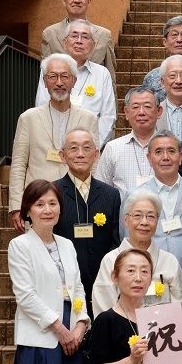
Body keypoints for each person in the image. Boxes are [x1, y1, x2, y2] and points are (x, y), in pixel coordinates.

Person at [7, 180, 91, 364]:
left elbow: (77, 289)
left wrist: (80, 325)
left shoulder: (66, 245)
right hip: (41, 337)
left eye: (52, 203)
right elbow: (25, 295)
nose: (47, 209)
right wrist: (60, 328)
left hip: (70, 337)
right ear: (27, 211)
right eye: (39, 204)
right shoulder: (20, 246)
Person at [8, 53, 99, 232]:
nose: (59, 82)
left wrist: (94, 200)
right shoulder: (28, 118)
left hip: (77, 199)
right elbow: (18, 164)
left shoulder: (89, 118)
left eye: (64, 76)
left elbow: (94, 163)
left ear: (74, 80)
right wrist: (17, 206)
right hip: (38, 202)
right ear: (45, 81)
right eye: (52, 76)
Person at [52, 128, 122, 318]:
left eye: (86, 148)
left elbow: (115, 240)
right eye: (73, 148)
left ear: (96, 154)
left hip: (104, 283)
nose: (80, 154)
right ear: (62, 156)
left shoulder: (111, 194)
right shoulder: (52, 192)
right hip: (64, 283)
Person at [93, 189, 182, 313]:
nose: (144, 222)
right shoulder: (110, 260)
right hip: (121, 325)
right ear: (126, 220)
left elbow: (178, 309)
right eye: (137, 215)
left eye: (151, 216)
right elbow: (104, 310)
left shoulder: (169, 261)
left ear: (157, 222)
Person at [35, 20, 117, 143]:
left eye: (85, 37)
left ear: (93, 45)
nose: (79, 41)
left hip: (90, 146)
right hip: (54, 145)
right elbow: (41, 107)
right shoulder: (48, 70)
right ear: (65, 42)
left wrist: (92, 146)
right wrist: (55, 144)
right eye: (74, 36)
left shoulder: (102, 74)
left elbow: (108, 116)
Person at [138, 132, 182, 270]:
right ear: (149, 158)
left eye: (171, 151)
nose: (165, 157)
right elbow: (128, 238)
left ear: (180, 157)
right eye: (158, 152)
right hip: (149, 274)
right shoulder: (136, 197)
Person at [41, 0, 116, 82]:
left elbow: (110, 76)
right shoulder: (50, 34)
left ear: (88, 2)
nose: (77, 0)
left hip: (94, 91)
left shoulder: (104, 35)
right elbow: (45, 75)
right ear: (64, 1)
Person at [96, 86, 162, 203]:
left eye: (147, 106)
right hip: (123, 214)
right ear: (126, 112)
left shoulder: (170, 148)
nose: (141, 112)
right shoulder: (113, 148)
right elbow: (100, 190)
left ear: (159, 111)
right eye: (135, 107)